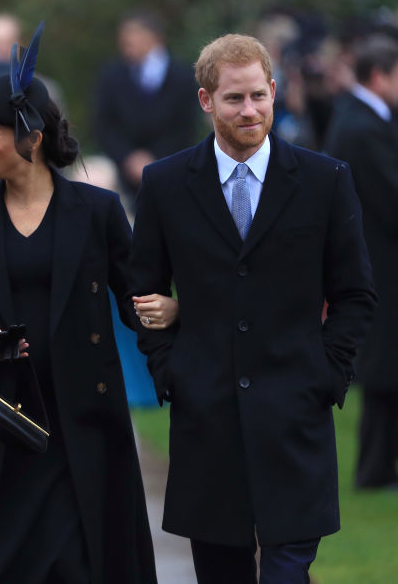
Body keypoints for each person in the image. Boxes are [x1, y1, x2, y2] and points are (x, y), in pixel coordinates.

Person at [0, 24, 167, 583]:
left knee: (86, 566)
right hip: (0, 427)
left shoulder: (98, 211)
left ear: (28, 137)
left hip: (85, 424)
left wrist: (173, 320)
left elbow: (136, 306)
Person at [130, 34, 377, 583]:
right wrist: (172, 370)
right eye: (234, 99)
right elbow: (140, 289)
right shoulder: (166, 184)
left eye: (259, 96)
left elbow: (355, 293)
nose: (250, 111)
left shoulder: (325, 179)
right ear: (205, 101)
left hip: (296, 412)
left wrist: (327, 373)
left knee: (288, 572)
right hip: (206, 416)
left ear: (273, 91)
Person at [323, 34, 398, 490]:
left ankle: (380, 467)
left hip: (379, 260)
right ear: (379, 75)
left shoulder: (365, 118)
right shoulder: (361, 126)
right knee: (384, 370)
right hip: (380, 263)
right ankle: (373, 470)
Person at [93, 10, 199, 196]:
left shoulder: (182, 76)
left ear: (156, 37)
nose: (127, 40)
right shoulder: (112, 75)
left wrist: (156, 159)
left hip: (172, 161)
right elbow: (104, 125)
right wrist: (128, 158)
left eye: (135, 33)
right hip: (121, 166)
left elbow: (186, 126)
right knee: (94, 178)